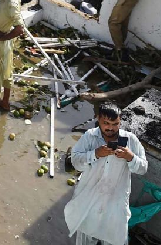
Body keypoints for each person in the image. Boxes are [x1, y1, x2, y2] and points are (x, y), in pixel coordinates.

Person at [64, 102, 148, 245]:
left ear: (120, 121)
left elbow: (143, 169)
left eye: (115, 124)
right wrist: (95, 154)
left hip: (115, 201)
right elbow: (75, 161)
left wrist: (130, 157)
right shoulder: (90, 137)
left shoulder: (130, 140)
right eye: (106, 123)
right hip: (90, 198)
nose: (110, 128)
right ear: (98, 119)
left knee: (114, 238)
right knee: (86, 235)